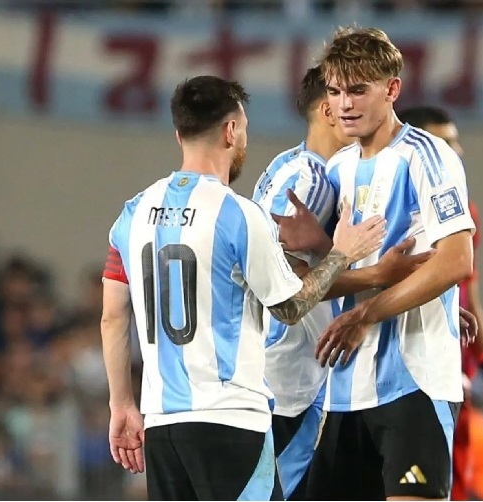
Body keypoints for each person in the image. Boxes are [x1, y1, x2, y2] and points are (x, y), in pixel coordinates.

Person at [99, 75, 386, 501]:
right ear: (231, 131)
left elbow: (112, 316)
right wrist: (341, 253)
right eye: (245, 128)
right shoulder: (238, 214)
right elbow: (290, 306)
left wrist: (121, 403)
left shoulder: (133, 213)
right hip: (230, 421)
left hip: (161, 424)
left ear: (180, 134)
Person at [280, 27, 483, 501]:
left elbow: (455, 261)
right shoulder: (338, 168)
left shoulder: (428, 157)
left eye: (358, 90)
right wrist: (324, 249)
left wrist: (367, 312)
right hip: (345, 387)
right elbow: (311, 282)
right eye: (335, 91)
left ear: (391, 90)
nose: (344, 104)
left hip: (413, 383)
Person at [252, 66, 433, 500]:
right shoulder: (311, 180)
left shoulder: (296, 167)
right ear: (325, 109)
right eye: (341, 96)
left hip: (291, 374)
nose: (353, 108)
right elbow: (288, 289)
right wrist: (378, 275)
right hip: (293, 379)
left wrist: (420, 298)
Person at [397, 105, 483, 500]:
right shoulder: (392, 208)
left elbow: (470, 294)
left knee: (454, 488)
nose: (458, 151)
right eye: (445, 143)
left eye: (455, 141)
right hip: (399, 382)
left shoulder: (463, 213)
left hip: (452, 382)